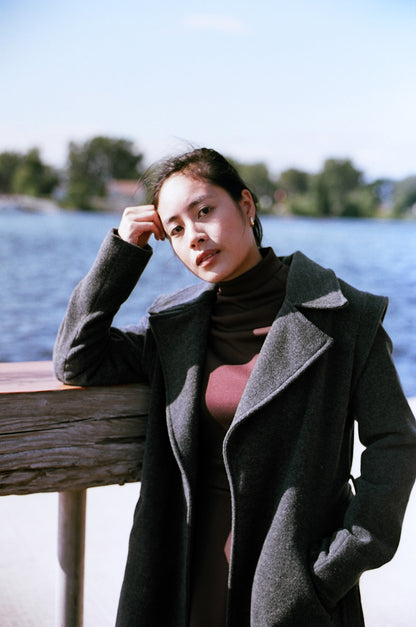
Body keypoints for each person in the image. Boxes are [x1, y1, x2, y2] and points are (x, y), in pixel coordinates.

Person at [53, 147, 416, 627]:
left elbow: (395, 442)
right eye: (176, 229)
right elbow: (77, 359)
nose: (195, 236)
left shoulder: (345, 317)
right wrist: (123, 250)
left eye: (204, 211)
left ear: (246, 206)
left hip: (290, 582)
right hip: (178, 571)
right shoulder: (174, 326)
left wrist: (336, 565)